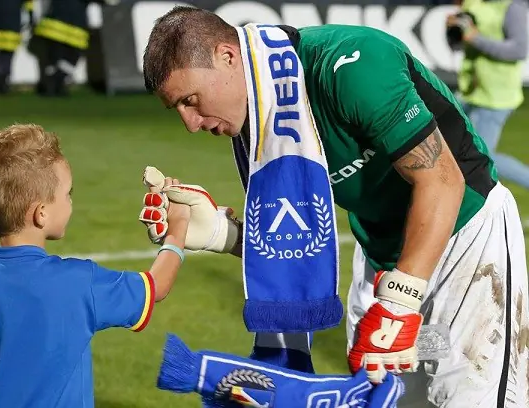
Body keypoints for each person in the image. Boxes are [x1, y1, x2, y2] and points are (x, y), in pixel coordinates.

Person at [141, 6, 529, 408]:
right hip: (382, 252)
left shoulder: (348, 65)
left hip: (466, 239)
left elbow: (444, 181)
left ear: (227, 56)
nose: (190, 123)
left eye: (191, 100)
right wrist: (223, 234)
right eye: (178, 109)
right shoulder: (256, 112)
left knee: (469, 394)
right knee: (389, 398)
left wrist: (399, 301)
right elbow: (300, 241)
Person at [0, 123, 190, 407]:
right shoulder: (78, 281)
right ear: (41, 213)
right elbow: (155, 286)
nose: (70, 201)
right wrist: (178, 228)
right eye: (67, 193)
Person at [447, 0, 529, 189]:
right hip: (470, 90)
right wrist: (453, 31)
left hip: (496, 96)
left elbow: (519, 50)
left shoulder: (512, 6)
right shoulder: (472, 3)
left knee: (483, 156)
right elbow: (458, 45)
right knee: (442, 137)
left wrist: (476, 39)